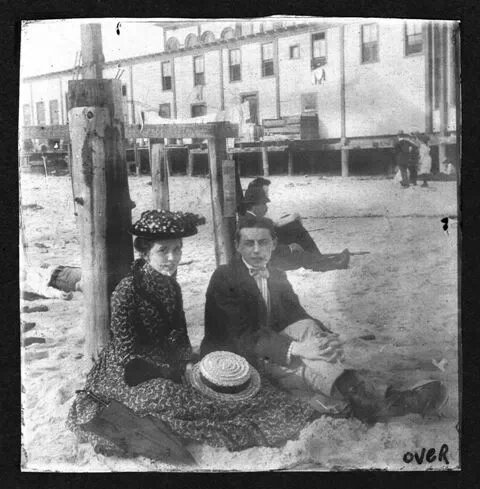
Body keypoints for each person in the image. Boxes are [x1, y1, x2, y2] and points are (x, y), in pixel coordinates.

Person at [67, 210, 315, 456]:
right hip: (131, 373)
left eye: (177, 250)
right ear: (145, 252)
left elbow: (179, 335)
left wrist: (186, 361)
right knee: (176, 400)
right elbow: (128, 358)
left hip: (169, 362)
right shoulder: (126, 292)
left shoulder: (171, 285)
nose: (172, 258)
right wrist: (171, 372)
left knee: (230, 385)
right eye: (163, 251)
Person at [202, 215, 447, 424]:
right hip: (235, 360)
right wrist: (298, 348)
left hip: (269, 347)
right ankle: (381, 402)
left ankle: (366, 398)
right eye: (249, 243)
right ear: (237, 246)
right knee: (304, 365)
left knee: (309, 329)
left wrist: (327, 338)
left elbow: (296, 315)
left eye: (263, 242)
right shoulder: (224, 277)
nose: (256, 250)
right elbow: (242, 336)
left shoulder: (275, 273)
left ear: (274, 244)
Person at [238, 178, 350, 272]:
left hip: (274, 251)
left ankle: (321, 259)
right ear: (254, 206)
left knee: (294, 229)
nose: (266, 207)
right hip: (271, 261)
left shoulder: (254, 218)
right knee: (300, 256)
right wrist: (289, 248)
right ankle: (333, 264)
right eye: (263, 204)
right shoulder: (251, 223)